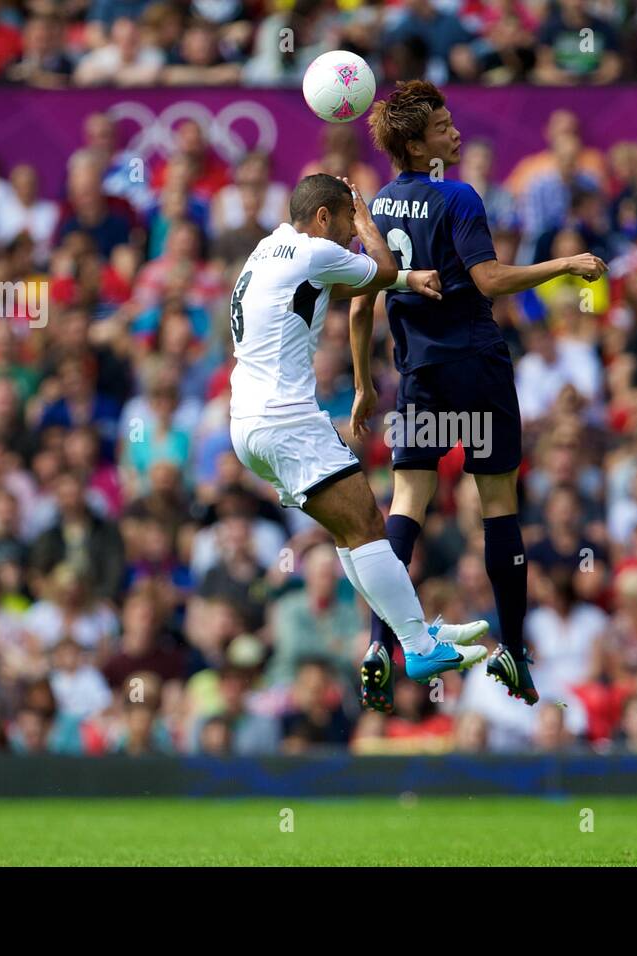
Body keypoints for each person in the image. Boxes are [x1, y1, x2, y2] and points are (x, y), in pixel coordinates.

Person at [350, 80, 608, 710]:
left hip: (418, 376)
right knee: (497, 504)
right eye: (442, 127)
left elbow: (361, 305)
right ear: (417, 144)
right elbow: (489, 278)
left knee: (407, 501)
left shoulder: (378, 207)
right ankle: (514, 653)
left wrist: (362, 385)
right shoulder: (459, 196)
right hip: (476, 367)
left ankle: (382, 643)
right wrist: (565, 264)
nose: (455, 133)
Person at [227, 173, 489, 704]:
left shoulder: (268, 250)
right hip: (287, 422)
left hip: (250, 425)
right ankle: (418, 645)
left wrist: (407, 282)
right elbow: (379, 268)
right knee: (371, 525)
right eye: (346, 222)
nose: (352, 232)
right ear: (324, 217)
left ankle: (419, 633)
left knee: (352, 533)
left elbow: (345, 286)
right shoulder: (312, 252)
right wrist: (372, 224)